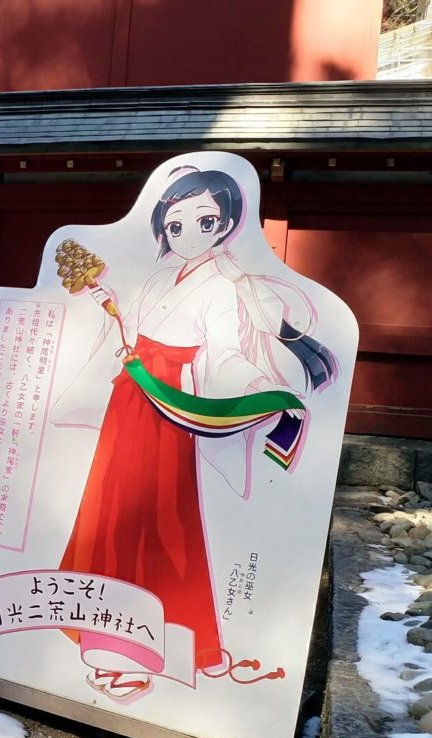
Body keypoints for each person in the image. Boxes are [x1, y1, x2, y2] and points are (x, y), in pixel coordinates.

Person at [53, 166, 337, 702]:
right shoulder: (158, 277)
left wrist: (264, 393)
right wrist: (114, 314)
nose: (188, 234)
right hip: (130, 398)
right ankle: (103, 634)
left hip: (170, 406)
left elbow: (224, 353)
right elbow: (132, 331)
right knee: (109, 511)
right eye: (175, 223)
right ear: (163, 225)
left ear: (226, 222)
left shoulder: (224, 288)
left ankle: (161, 641)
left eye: (204, 220)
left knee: (164, 517)